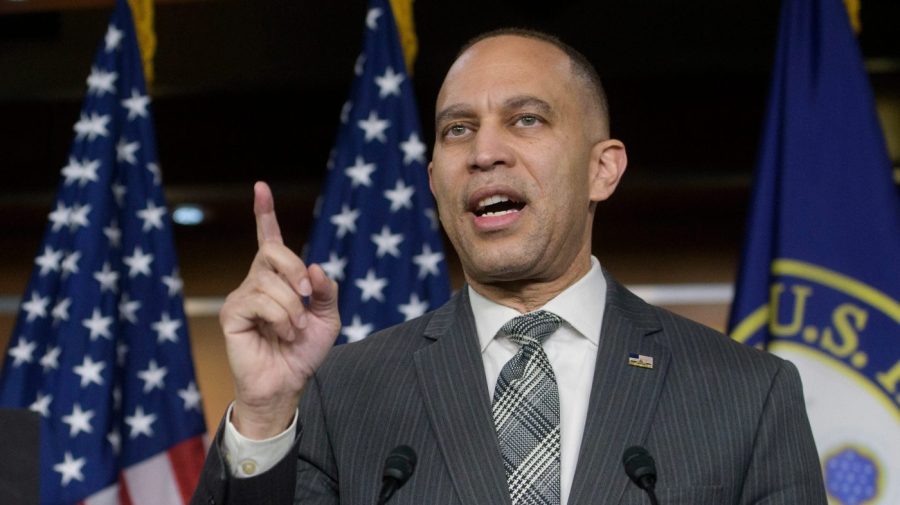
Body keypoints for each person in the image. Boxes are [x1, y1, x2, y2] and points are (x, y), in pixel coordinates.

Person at [191, 29, 827, 505]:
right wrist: (265, 415)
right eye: (458, 130)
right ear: (434, 180)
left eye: (526, 119)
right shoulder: (344, 392)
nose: (485, 152)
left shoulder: (748, 394)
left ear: (602, 169)